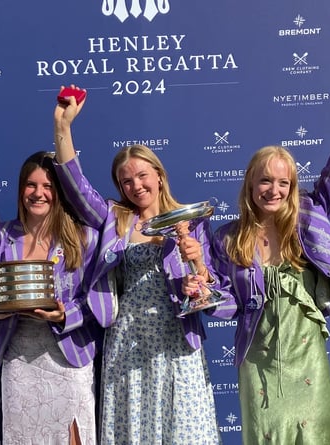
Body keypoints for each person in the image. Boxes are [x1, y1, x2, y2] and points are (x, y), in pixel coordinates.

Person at [181, 61, 330, 444]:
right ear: (250, 184)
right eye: (265, 180)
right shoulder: (228, 238)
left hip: (307, 359)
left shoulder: (309, 217)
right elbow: (224, 303)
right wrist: (198, 269)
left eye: (283, 182)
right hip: (256, 360)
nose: (274, 190)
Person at [52, 86, 237, 444]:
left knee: (184, 430)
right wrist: (63, 127)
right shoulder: (115, 219)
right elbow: (75, 188)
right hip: (128, 338)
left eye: (141, 175)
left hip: (178, 340)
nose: (136, 185)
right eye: (126, 181)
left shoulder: (192, 221)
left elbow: (214, 290)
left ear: (159, 175)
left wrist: (198, 269)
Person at [0, 151, 101, 445]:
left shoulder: (83, 237)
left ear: (60, 191)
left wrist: (65, 315)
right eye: (31, 185)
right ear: (21, 189)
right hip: (19, 360)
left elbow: (97, 299)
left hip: (69, 358)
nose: (38, 194)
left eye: (48, 187)